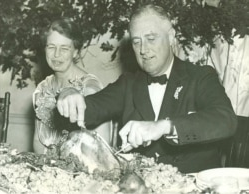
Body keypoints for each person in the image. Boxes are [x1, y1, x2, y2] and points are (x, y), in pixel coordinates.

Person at [56, 5, 237, 173]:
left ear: (171, 37)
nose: (143, 49)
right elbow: (93, 107)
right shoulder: (129, 83)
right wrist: (69, 94)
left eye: (151, 38)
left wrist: (164, 126)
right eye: (136, 42)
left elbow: (225, 119)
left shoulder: (200, 76)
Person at [33, 18, 111, 154]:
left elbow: (101, 150)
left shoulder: (90, 87)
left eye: (64, 48)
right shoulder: (43, 88)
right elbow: (37, 141)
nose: (56, 54)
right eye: (51, 47)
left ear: (75, 52)